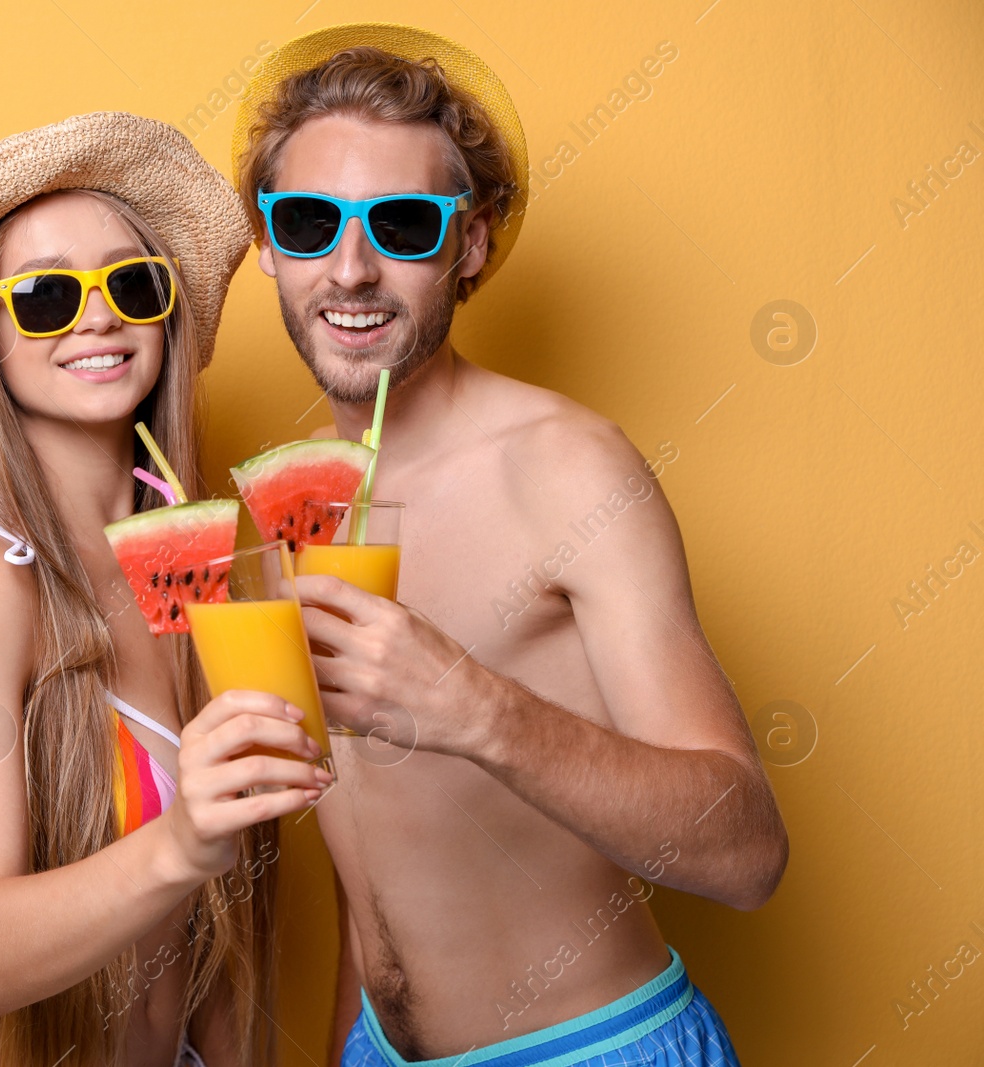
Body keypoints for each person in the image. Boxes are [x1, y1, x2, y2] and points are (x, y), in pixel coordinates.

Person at [230, 24, 788, 1067]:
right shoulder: (281, 507)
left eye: (400, 224)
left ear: (470, 242)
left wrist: (475, 706)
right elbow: (372, 866)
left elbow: (746, 851)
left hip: (593, 1046)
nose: (349, 269)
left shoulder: (567, 469)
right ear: (266, 244)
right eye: (308, 222)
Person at [0, 111, 332, 1067]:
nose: (97, 315)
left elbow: (223, 935)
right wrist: (179, 841)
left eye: (131, 282)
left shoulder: (201, 563)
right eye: (43, 297)